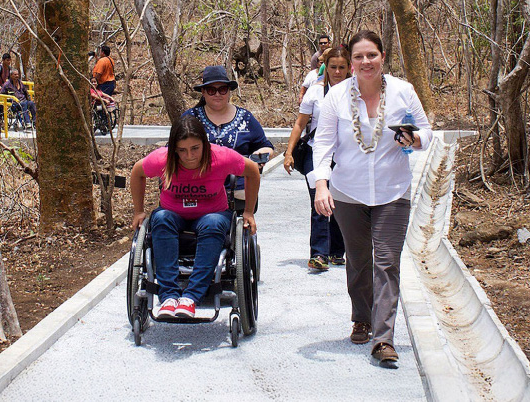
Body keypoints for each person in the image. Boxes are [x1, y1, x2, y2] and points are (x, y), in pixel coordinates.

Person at [312, 30, 432, 368]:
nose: (366, 62)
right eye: (360, 56)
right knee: (359, 259)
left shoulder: (403, 92)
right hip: (348, 191)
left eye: (372, 55)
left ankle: (384, 339)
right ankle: (361, 318)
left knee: (387, 262)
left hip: (393, 191)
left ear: (382, 57)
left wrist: (414, 139)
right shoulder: (336, 96)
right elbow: (323, 144)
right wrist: (321, 185)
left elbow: (427, 131)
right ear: (350, 61)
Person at [130, 115, 261, 319]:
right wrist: (139, 211)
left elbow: (252, 171)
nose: (189, 156)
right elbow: (137, 172)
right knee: (161, 218)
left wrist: (249, 212)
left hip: (212, 213)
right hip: (173, 214)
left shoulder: (221, 157)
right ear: (174, 148)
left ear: (204, 144)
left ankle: (191, 297)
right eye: (182, 150)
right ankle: (169, 297)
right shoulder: (163, 159)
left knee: (212, 222)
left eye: (195, 148)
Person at [284, 47, 351, 271]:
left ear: (349, 68)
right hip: (316, 152)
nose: (338, 72)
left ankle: (336, 250)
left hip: (344, 155)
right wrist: (288, 152)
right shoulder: (315, 92)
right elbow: (299, 124)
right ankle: (319, 253)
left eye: (342, 67)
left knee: (340, 201)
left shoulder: (356, 93)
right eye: (333, 67)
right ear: (326, 67)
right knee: (319, 200)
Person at [182, 65, 274, 200]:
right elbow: (172, 149)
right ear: (203, 92)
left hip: (237, 186)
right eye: (211, 90)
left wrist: (260, 156)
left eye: (222, 90)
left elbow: (266, 146)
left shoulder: (245, 118)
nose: (218, 94)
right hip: (198, 186)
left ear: (229, 91)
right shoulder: (190, 118)